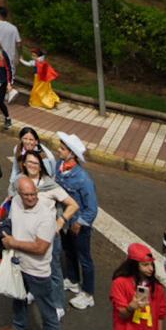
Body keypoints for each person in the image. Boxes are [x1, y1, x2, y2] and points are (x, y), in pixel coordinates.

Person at [0, 176, 63, 330]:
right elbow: (11, 222)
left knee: (48, 311)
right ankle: (19, 328)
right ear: (19, 193)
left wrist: (12, 243)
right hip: (18, 264)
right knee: (18, 297)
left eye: (34, 194)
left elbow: (40, 248)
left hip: (37, 271)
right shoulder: (16, 202)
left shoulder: (46, 216)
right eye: (26, 195)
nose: (31, 198)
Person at [55, 131, 99, 310]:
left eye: (62, 149)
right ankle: (73, 280)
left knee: (84, 258)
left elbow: (92, 208)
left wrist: (79, 222)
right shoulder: (60, 167)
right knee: (69, 252)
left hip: (78, 225)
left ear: (71, 154)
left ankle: (88, 293)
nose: (59, 150)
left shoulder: (82, 179)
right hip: (64, 221)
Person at [111, 242, 166, 330]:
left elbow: (160, 316)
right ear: (134, 265)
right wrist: (130, 308)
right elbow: (122, 315)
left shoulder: (157, 288)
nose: (151, 269)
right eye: (145, 265)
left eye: (151, 264)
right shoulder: (120, 283)